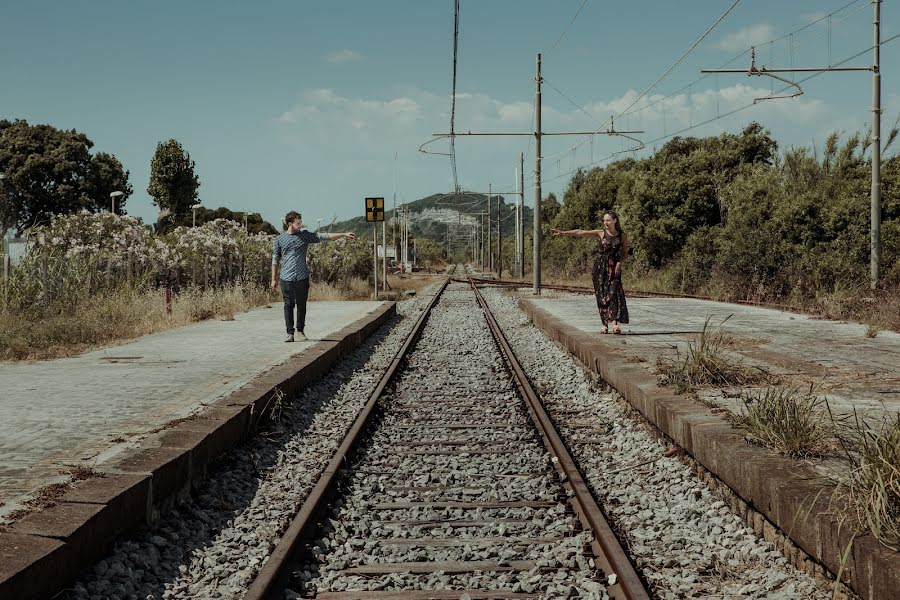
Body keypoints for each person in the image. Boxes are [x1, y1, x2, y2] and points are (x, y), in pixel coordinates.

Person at [271, 211, 356, 342]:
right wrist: (273, 279)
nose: (300, 225)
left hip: (302, 277)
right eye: (298, 223)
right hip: (286, 277)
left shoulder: (305, 236)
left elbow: (324, 236)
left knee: (301, 305)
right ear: (290, 224)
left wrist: (343, 234)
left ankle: (300, 331)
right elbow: (275, 260)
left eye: (300, 223)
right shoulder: (280, 239)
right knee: (288, 305)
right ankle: (290, 333)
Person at [551, 210, 629, 334]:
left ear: (615, 220)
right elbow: (580, 232)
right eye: (604, 220)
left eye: (608, 220)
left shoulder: (622, 236)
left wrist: (619, 263)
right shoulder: (601, 233)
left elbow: (625, 253)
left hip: (614, 268)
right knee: (602, 296)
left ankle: (615, 324)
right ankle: (604, 324)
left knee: (614, 294)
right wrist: (563, 233)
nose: (605, 223)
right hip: (600, 268)